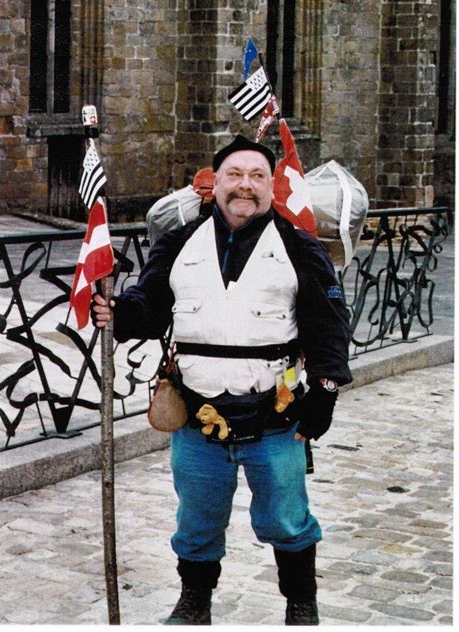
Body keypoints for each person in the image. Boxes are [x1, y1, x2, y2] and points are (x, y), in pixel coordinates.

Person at [92, 134, 352, 626]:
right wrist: (118, 311)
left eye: (257, 176)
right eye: (235, 175)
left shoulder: (298, 246)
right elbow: (148, 307)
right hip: (198, 418)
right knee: (196, 521)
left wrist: (325, 390)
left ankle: (301, 605)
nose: (245, 186)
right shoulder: (178, 242)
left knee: (287, 520)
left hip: (276, 418)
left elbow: (329, 323)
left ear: (271, 186)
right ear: (217, 183)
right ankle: (195, 603)